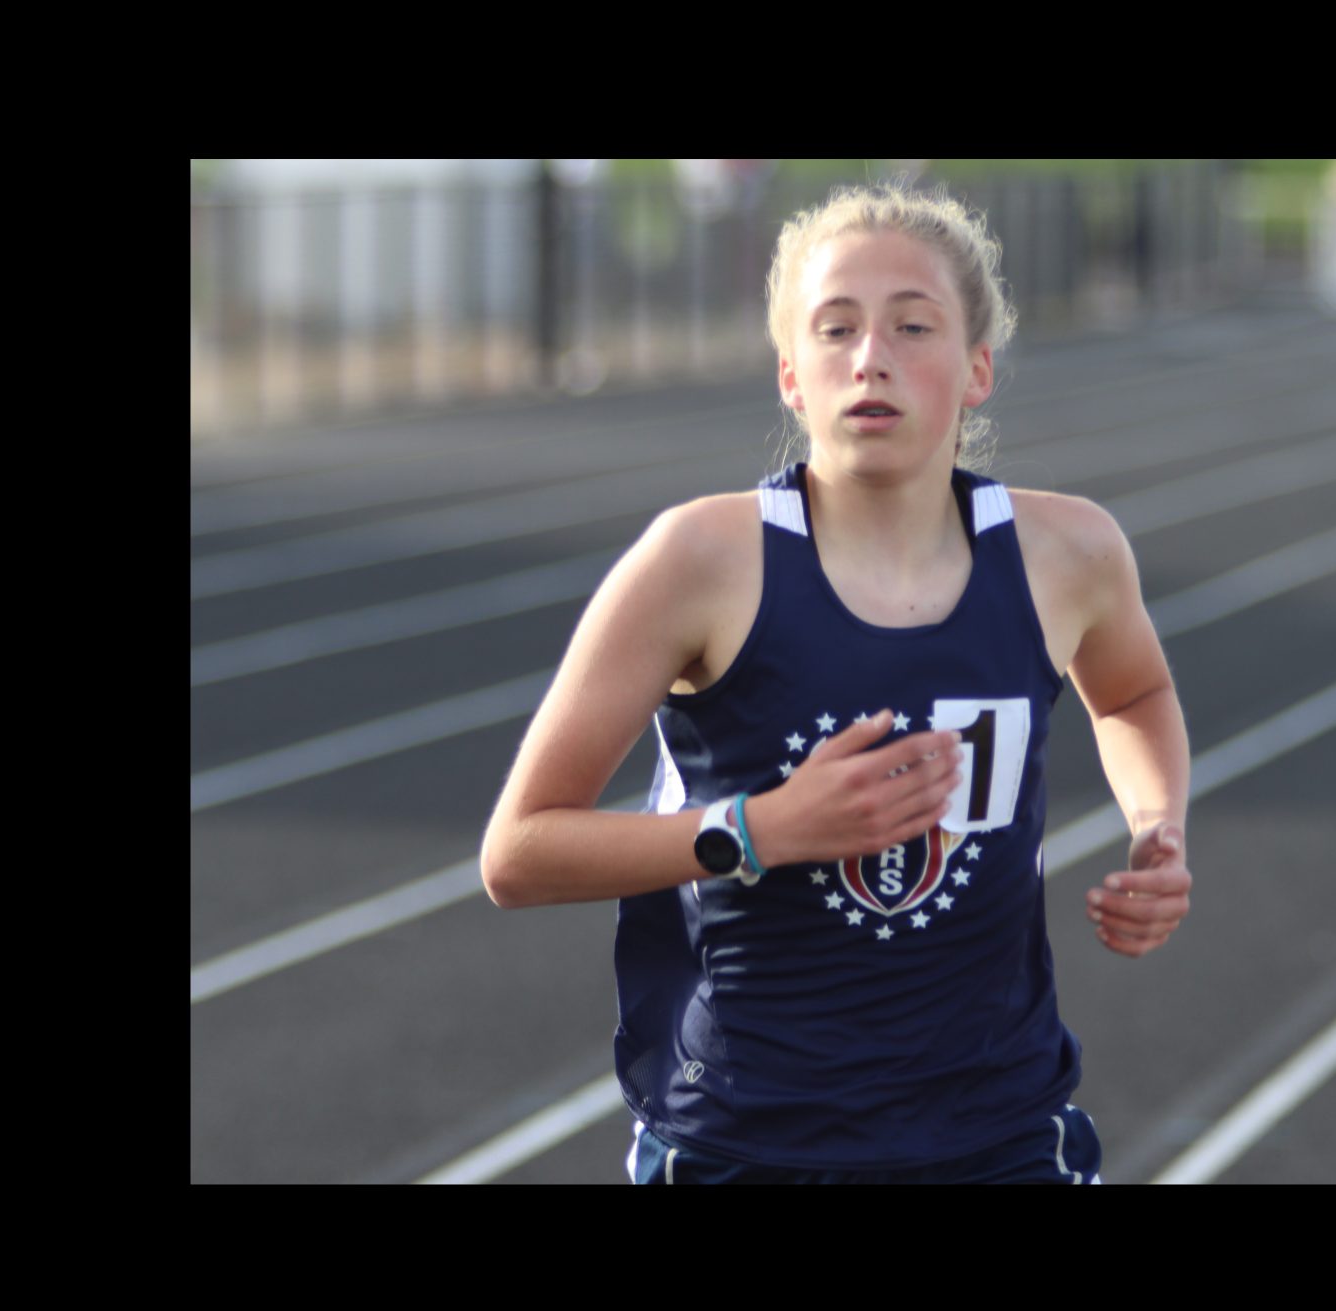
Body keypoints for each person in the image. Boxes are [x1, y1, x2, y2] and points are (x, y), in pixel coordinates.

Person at [480, 183, 1191, 1184]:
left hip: (998, 1131)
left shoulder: (1066, 552)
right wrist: (759, 830)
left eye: (912, 325)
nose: (870, 358)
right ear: (790, 374)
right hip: (746, 1138)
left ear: (978, 367)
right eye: (836, 327)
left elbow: (1130, 696)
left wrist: (1157, 825)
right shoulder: (699, 560)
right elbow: (517, 852)